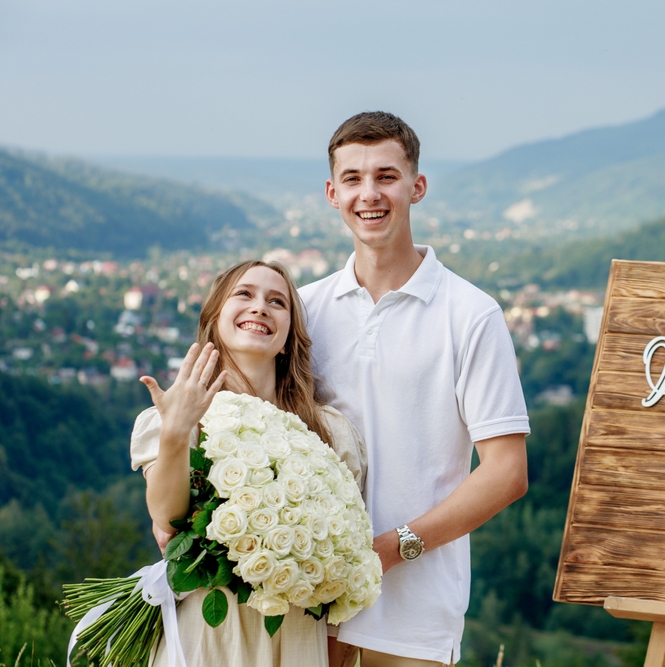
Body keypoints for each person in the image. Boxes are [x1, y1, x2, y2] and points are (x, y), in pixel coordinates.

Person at [300, 112, 530, 667]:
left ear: (416, 187)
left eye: (386, 175)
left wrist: (393, 548)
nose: (369, 193)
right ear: (332, 193)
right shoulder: (304, 309)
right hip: (307, 597)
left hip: (416, 610)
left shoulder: (471, 314)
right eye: (352, 179)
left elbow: (506, 473)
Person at [131, 259, 367, 667]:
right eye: (244, 294)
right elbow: (169, 522)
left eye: (277, 302)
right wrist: (175, 432)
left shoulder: (332, 431)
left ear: (290, 336)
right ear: (215, 319)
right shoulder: (176, 415)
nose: (260, 307)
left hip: (295, 637)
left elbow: (347, 549)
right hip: (207, 635)